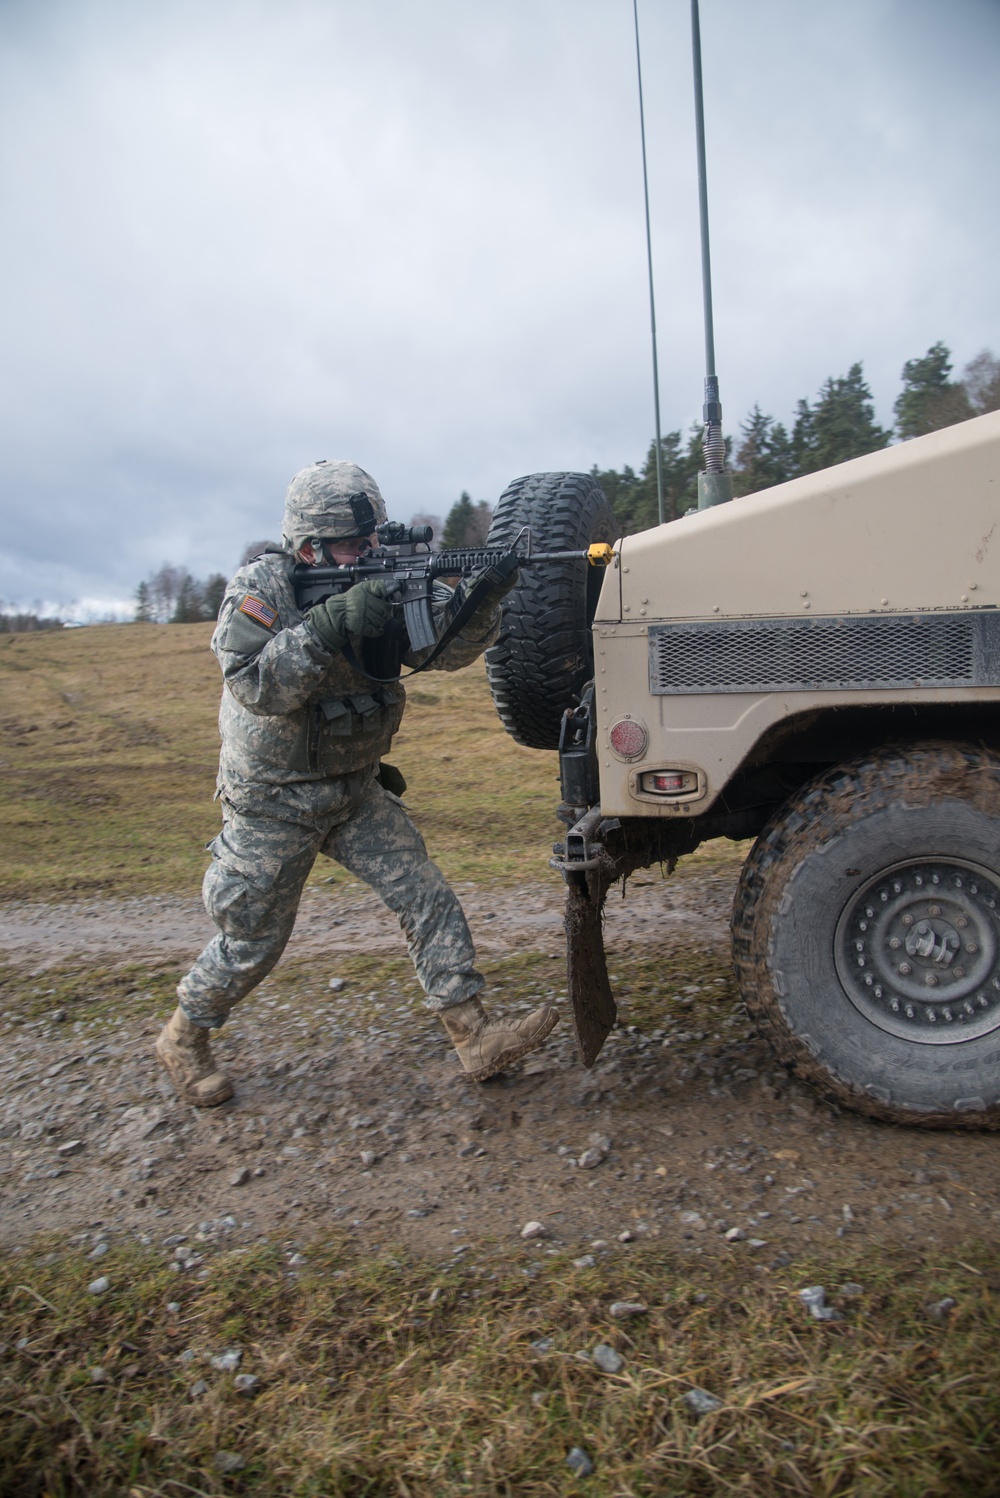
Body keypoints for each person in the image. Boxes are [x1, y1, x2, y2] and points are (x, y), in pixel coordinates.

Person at [156, 460, 558, 1107]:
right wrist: (330, 623)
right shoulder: (264, 588)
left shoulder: (382, 580)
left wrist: (482, 599)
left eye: (372, 541)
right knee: (254, 940)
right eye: (353, 544)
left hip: (352, 788)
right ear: (310, 546)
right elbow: (255, 683)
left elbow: (441, 652)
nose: (368, 552)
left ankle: (473, 1037)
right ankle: (183, 1038)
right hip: (274, 799)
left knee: (426, 896)